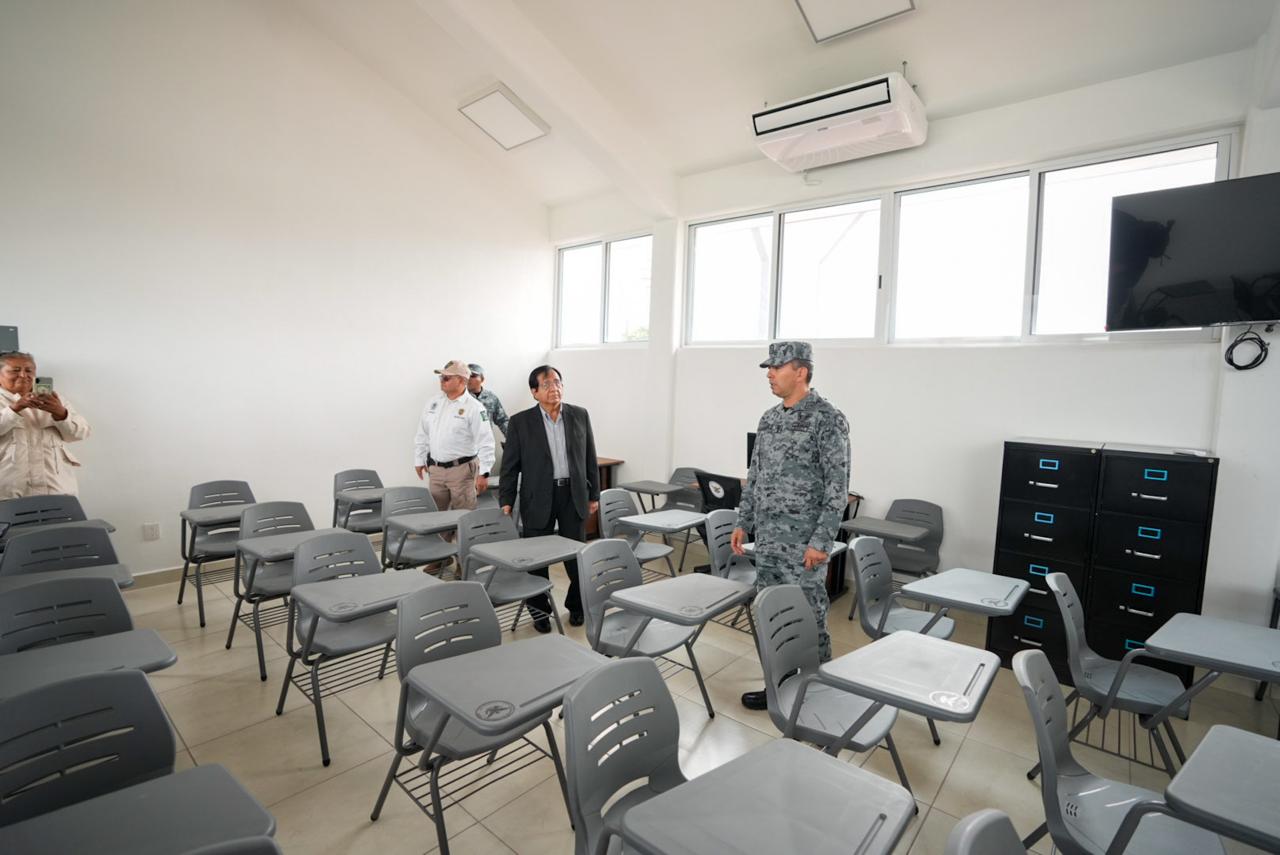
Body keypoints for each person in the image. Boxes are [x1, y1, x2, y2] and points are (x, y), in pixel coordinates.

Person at [731, 341, 850, 711]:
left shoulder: (826, 419)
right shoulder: (768, 419)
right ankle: (778, 686)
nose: (769, 374)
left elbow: (837, 488)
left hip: (804, 547)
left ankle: (816, 690)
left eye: (776, 367)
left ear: (800, 372)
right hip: (768, 543)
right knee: (773, 616)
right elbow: (755, 475)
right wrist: (743, 520)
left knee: (809, 618)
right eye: (768, 368)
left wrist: (821, 542)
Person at [499, 365, 599, 632]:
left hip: (573, 495)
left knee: (576, 555)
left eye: (557, 382)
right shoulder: (520, 422)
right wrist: (506, 499)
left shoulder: (579, 414)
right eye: (546, 384)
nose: (554, 388)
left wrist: (593, 494)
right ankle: (539, 611)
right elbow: (510, 466)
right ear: (534, 392)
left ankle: (576, 606)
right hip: (537, 496)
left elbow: (589, 456)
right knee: (536, 559)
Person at [0, 351, 91, 498]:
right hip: (7, 490)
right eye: (15, 370)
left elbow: (80, 433)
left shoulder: (55, 399)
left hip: (56, 487)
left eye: (29, 370)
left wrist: (61, 413)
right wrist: (15, 408)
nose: (23, 375)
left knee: (60, 514)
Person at [413, 359, 496, 515]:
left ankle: (460, 533)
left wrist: (484, 472)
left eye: (447, 377)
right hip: (436, 471)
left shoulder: (474, 407)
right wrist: (419, 459)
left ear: (462, 380)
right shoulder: (433, 402)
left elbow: (486, 442)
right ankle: (442, 534)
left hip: (462, 471)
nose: (442, 381)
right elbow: (422, 433)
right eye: (441, 377)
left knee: (462, 517)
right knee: (436, 518)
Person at [467, 363, 509, 436]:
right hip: (464, 441)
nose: (468, 379)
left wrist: (513, 438)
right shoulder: (459, 397)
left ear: (482, 379)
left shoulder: (491, 398)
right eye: (466, 375)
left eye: (473, 376)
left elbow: (502, 420)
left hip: (485, 440)